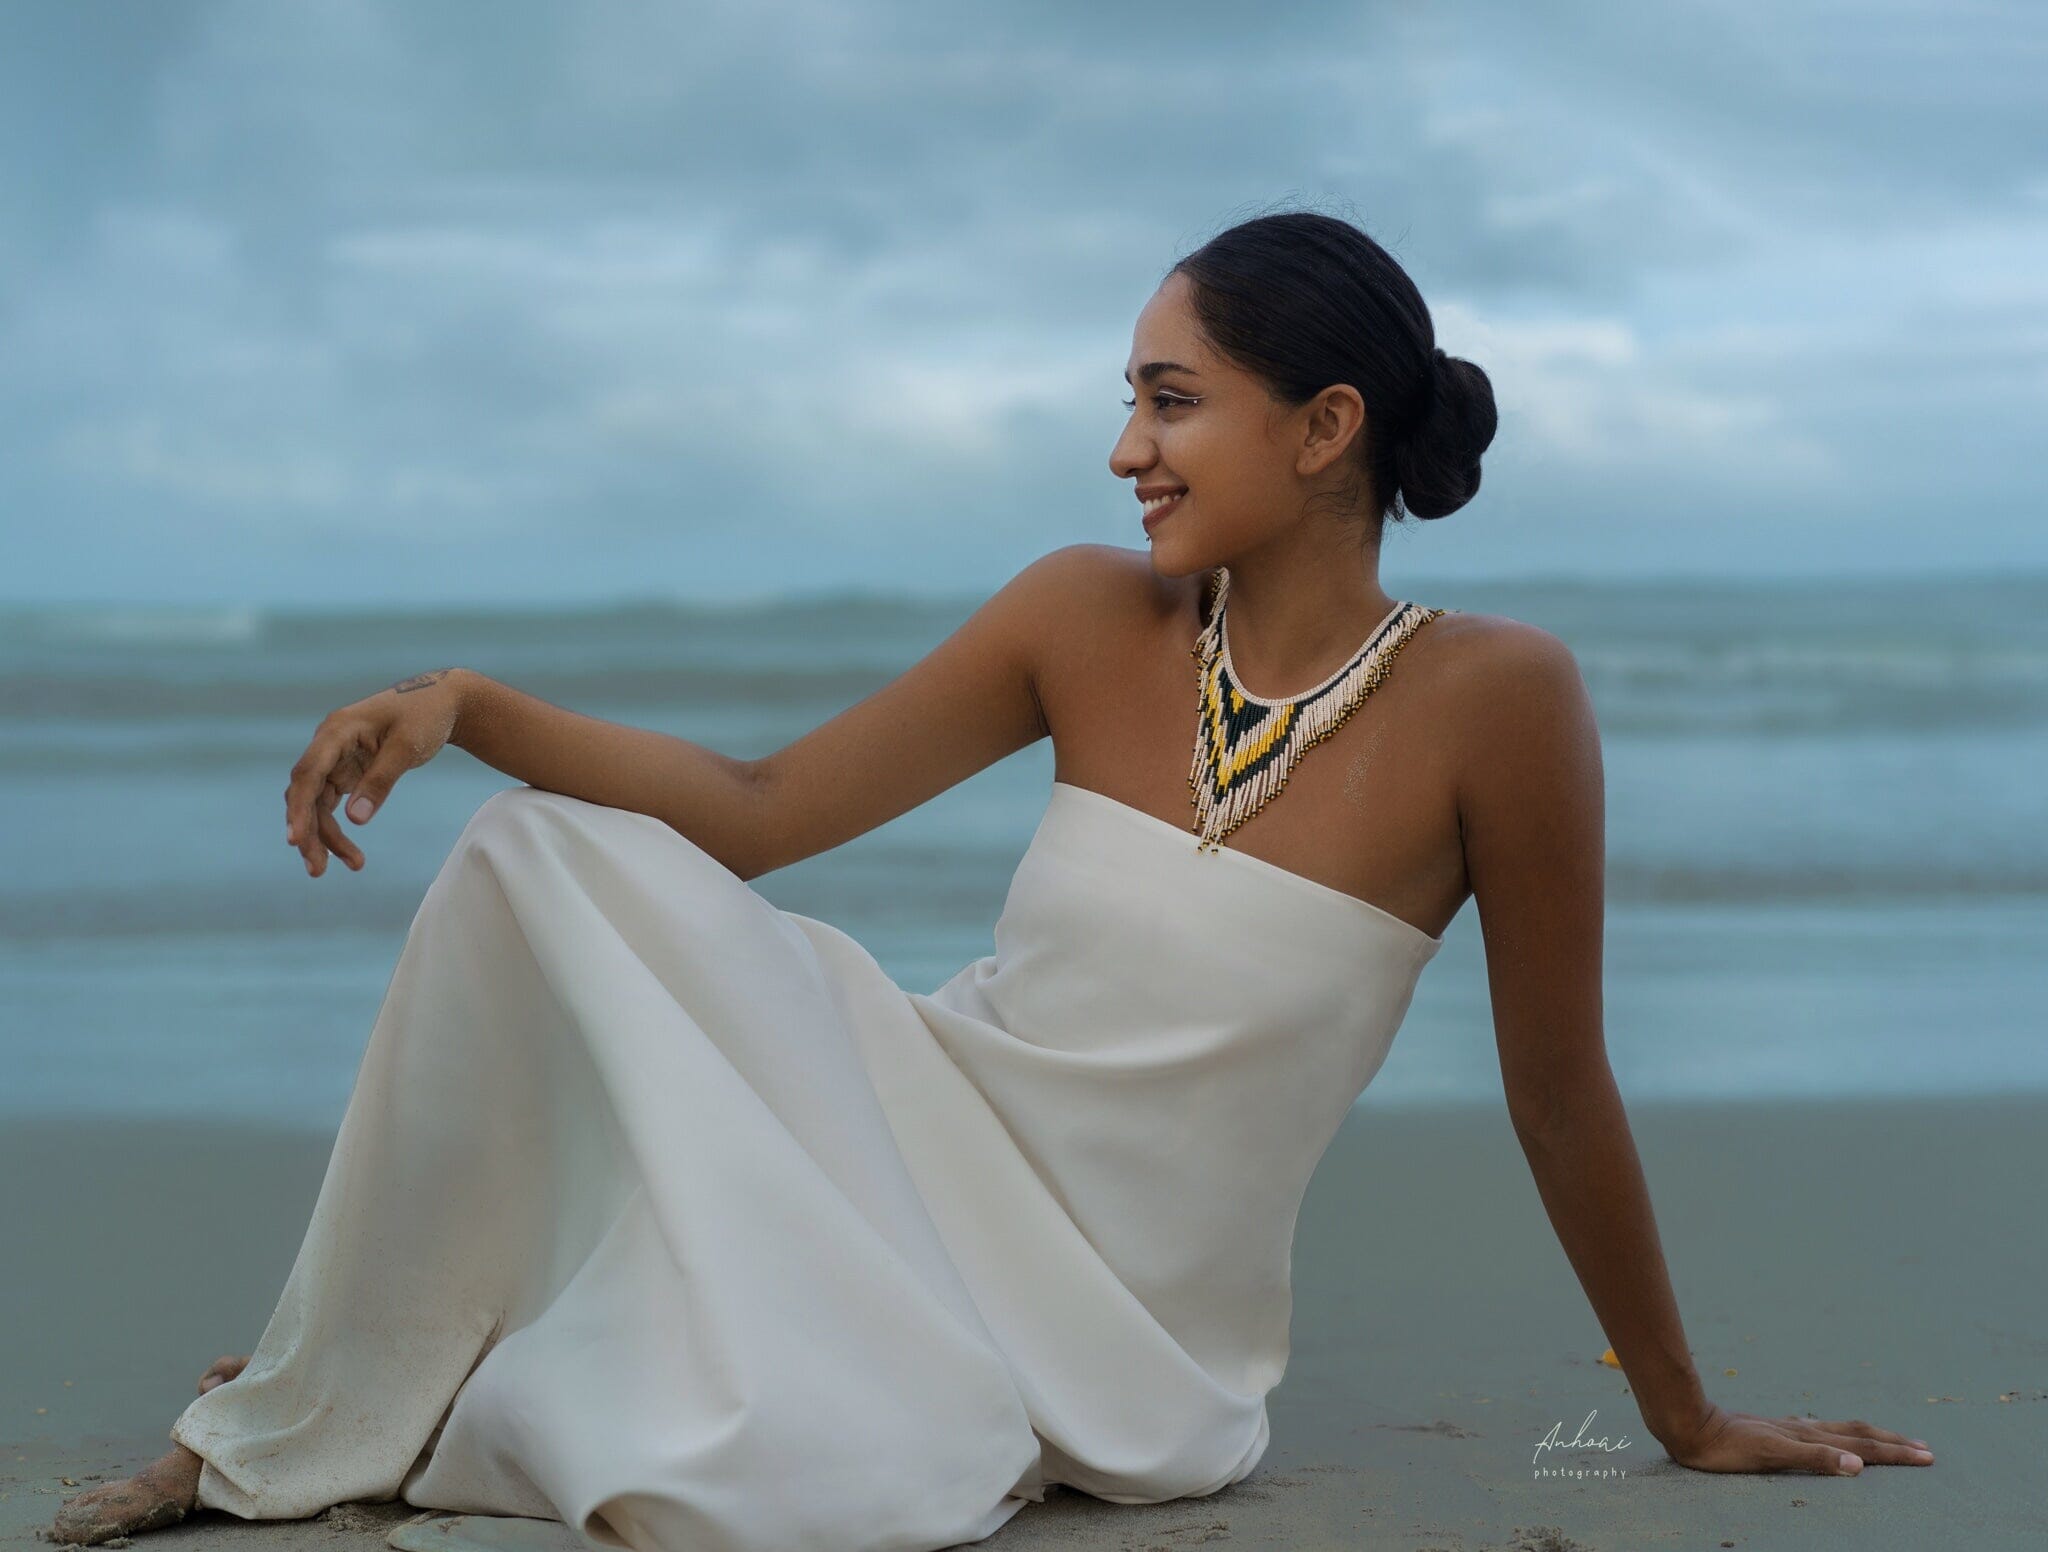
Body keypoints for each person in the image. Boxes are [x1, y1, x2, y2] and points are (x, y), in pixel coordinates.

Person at [52, 209, 1933, 1552]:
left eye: (1173, 400)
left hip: (1127, 1321)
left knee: (790, 1485)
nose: (1127, 448)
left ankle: (438, 1364)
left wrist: (1682, 1412)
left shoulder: (1500, 703)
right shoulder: (1080, 616)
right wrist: (467, 707)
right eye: (1132, 401)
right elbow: (761, 805)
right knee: (535, 858)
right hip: (911, 1118)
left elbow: (1557, 1083)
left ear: (1326, 425)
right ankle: (328, 1386)